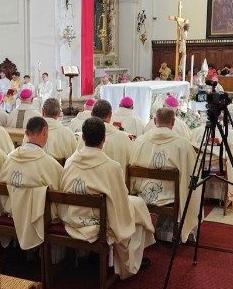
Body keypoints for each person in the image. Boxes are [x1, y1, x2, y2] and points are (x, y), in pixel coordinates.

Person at [60, 117, 155, 279]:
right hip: (100, 223)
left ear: (82, 138)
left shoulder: (70, 162)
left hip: (72, 219)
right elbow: (120, 199)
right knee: (136, 214)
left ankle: (92, 256)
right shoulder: (112, 167)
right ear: (104, 140)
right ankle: (129, 262)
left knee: (135, 209)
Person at [131, 108, 199, 242]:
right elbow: (192, 174)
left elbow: (132, 167)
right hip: (170, 195)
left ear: (155, 121)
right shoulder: (183, 145)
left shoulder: (140, 141)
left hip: (143, 193)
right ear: (173, 122)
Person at [0, 116, 62, 249]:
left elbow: (2, 182)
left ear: (26, 133)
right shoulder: (49, 163)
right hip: (40, 216)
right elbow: (61, 192)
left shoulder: (10, 158)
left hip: (11, 211)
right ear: (45, 131)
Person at [78, 100, 133, 170]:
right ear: (110, 115)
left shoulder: (85, 136)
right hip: (116, 179)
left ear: (91, 114)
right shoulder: (123, 138)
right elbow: (132, 163)